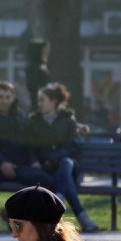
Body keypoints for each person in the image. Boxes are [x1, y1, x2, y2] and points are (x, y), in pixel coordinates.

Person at [0, 81, 54, 234]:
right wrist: (2, 163)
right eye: (0, 96)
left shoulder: (21, 120)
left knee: (46, 181)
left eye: (7, 97)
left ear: (12, 98)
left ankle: (15, 215)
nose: (4, 100)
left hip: (19, 165)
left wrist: (34, 161)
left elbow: (27, 144)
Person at [26, 83, 100, 233]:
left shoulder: (67, 119)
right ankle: (83, 218)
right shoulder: (34, 121)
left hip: (68, 165)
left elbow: (73, 145)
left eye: (42, 100)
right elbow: (28, 145)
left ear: (53, 101)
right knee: (66, 181)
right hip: (46, 167)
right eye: (38, 100)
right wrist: (34, 161)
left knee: (65, 164)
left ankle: (58, 199)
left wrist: (53, 158)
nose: (39, 103)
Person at [24, 38, 51, 109]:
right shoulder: (33, 67)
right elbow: (32, 86)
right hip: (38, 104)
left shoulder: (43, 67)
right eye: (43, 52)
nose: (46, 54)